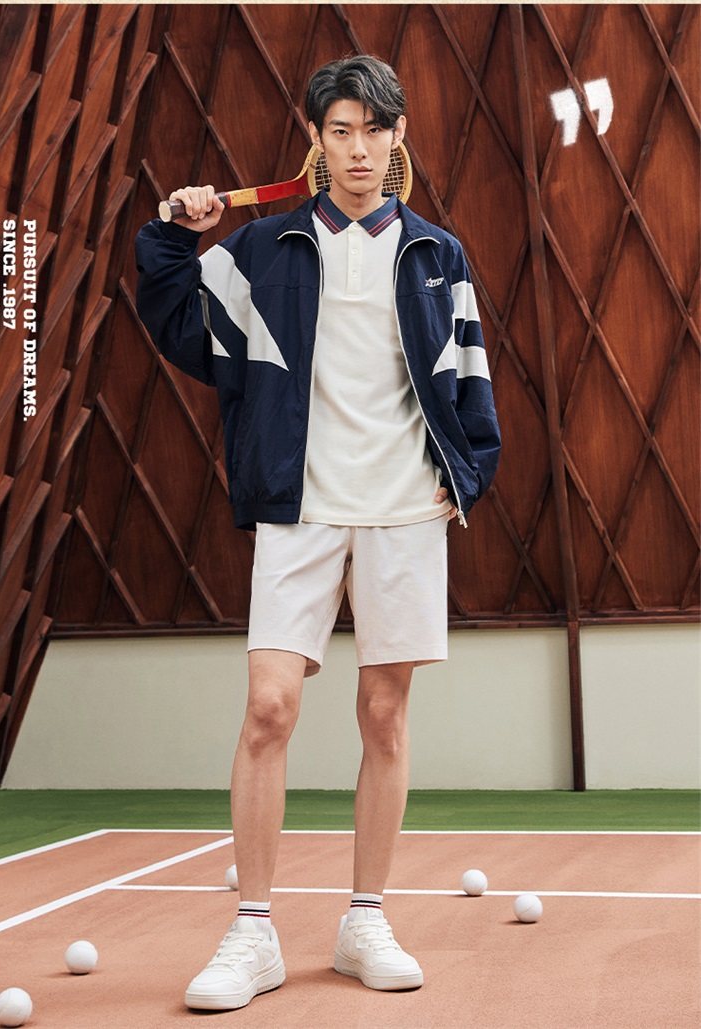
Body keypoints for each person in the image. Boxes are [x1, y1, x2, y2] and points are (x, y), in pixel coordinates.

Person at [134, 54, 500, 1012]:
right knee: (269, 708)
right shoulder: (267, 248)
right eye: (341, 131)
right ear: (317, 140)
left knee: (384, 716)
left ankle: (363, 919)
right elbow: (177, 318)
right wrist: (174, 230)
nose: (359, 150)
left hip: (405, 508)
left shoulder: (436, 254)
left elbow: (468, 376)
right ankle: (252, 930)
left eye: (374, 131)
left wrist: (465, 474)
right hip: (297, 506)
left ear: (398, 136)